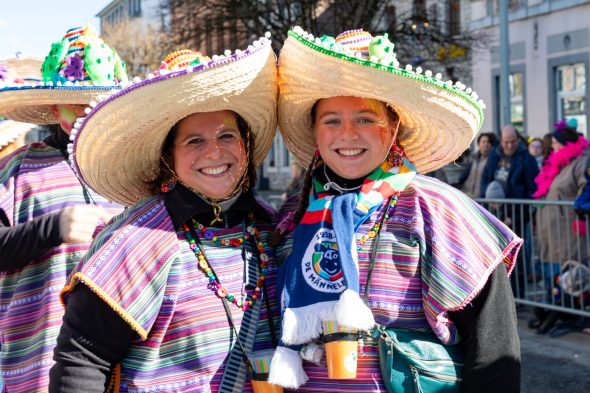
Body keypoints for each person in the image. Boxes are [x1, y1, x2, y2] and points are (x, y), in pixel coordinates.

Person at [267, 28, 522, 393]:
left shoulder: (436, 208)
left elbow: (493, 346)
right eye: (332, 120)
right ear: (316, 133)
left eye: (366, 119)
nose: (348, 133)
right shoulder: (294, 215)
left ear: (392, 129)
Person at [50, 40, 282, 392]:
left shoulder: (268, 228)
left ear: (245, 144)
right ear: (168, 157)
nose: (215, 152)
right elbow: (82, 360)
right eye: (194, 141)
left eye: (226, 135)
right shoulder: (137, 239)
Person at [0, 26, 127, 392]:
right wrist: (51, 228)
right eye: (79, 103)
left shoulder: (135, 173)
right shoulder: (17, 172)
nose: (91, 113)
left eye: (100, 103)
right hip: (36, 364)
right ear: (55, 107)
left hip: (121, 366)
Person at [529, 118, 590, 334]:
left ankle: (572, 317)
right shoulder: (556, 164)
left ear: (565, 143)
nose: (552, 147)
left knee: (570, 278)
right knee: (552, 278)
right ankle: (553, 313)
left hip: (569, 236)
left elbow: (586, 190)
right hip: (550, 235)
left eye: (555, 143)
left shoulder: (581, 163)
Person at [455, 132, 497, 197]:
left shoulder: (494, 160)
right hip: (467, 194)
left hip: (482, 197)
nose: (486, 144)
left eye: (488, 142)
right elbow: (464, 175)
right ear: (479, 144)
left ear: (491, 145)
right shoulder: (473, 158)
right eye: (483, 141)